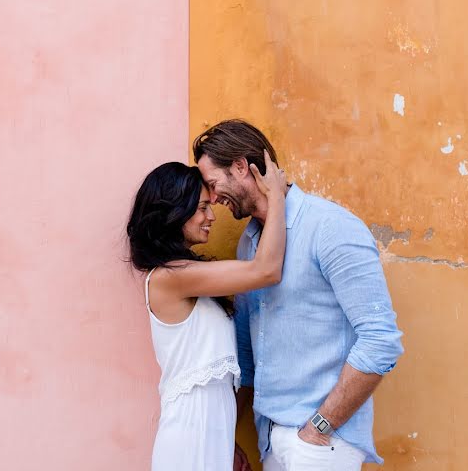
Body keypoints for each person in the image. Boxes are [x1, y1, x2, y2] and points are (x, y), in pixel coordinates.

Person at [193, 120, 405, 471]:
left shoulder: (330, 227)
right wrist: (227, 432)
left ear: (242, 167)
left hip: (322, 442)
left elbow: (381, 340)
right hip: (271, 439)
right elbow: (247, 351)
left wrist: (320, 428)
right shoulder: (250, 242)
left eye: (214, 185)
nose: (213, 199)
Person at [126, 151, 287, 471]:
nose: (211, 216)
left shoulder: (189, 280)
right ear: (174, 214)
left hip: (210, 432)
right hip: (189, 434)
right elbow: (266, 270)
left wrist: (228, 441)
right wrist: (277, 197)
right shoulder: (169, 278)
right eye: (202, 208)